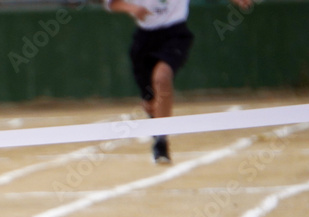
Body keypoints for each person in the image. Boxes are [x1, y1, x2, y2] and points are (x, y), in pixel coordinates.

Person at [106, 0, 250, 164]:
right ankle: (156, 121)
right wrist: (132, 8)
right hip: (144, 39)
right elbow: (111, 3)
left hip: (174, 34)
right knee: (150, 103)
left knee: (162, 78)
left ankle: (161, 141)